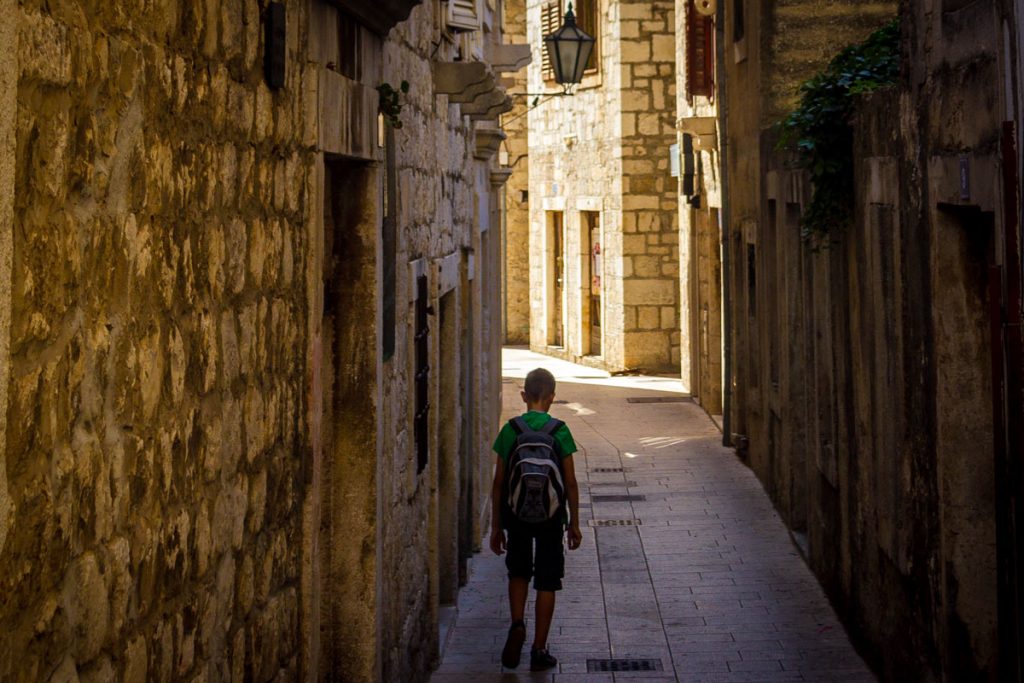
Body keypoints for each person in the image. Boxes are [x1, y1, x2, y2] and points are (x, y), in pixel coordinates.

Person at [489, 367, 583, 672]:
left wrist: (494, 527)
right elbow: (569, 482)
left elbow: (499, 482)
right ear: (552, 397)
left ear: (523, 396)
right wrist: (574, 523)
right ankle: (539, 649)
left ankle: (517, 623)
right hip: (551, 516)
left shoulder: (510, 430)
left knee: (518, 572)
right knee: (547, 579)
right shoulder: (560, 430)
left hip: (515, 515)